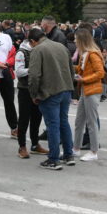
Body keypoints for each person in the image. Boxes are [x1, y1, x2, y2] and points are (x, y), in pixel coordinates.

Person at [27, 28, 75, 170]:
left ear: (32, 41)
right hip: (65, 89)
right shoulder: (60, 46)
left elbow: (34, 76)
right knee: (63, 122)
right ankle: (68, 154)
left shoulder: (38, 49)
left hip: (50, 92)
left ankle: (53, 159)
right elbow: (71, 69)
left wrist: (34, 94)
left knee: (53, 125)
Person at [71, 28, 105, 162]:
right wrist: (71, 66)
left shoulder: (92, 54)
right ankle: (76, 149)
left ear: (81, 40)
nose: (74, 41)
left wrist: (83, 79)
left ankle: (94, 151)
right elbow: (82, 69)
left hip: (92, 91)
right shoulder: (85, 53)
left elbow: (100, 73)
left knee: (91, 122)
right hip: (86, 91)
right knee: (79, 121)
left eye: (76, 39)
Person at [14, 30, 48, 158]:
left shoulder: (38, 50)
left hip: (37, 89)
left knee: (37, 118)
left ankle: (35, 144)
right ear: (33, 41)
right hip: (25, 90)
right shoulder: (22, 52)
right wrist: (33, 70)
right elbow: (18, 72)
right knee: (24, 119)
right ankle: (21, 147)